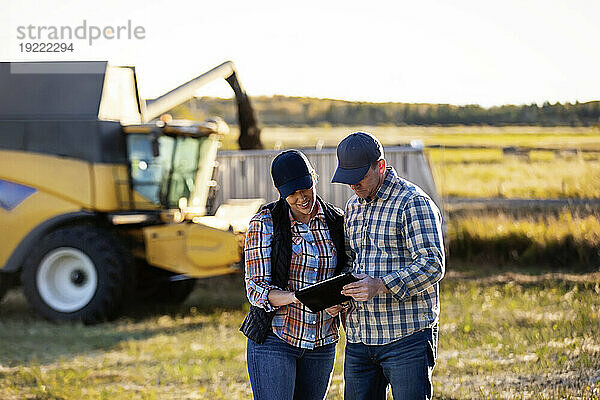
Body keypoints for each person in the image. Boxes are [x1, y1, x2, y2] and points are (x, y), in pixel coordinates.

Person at [331, 132, 445, 400]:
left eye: (360, 177)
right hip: (360, 338)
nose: (354, 186)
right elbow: (351, 260)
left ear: (380, 166)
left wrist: (380, 285)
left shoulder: (413, 202)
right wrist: (338, 297)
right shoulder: (352, 207)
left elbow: (433, 264)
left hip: (406, 339)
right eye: (348, 180)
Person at [240, 149, 348, 400]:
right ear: (280, 191)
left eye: (305, 188)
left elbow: (348, 269)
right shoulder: (265, 223)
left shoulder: (337, 220)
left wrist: (340, 300)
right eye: (292, 192)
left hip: (321, 342)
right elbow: (255, 289)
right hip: (276, 340)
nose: (301, 198)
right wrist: (296, 297)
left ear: (314, 178)